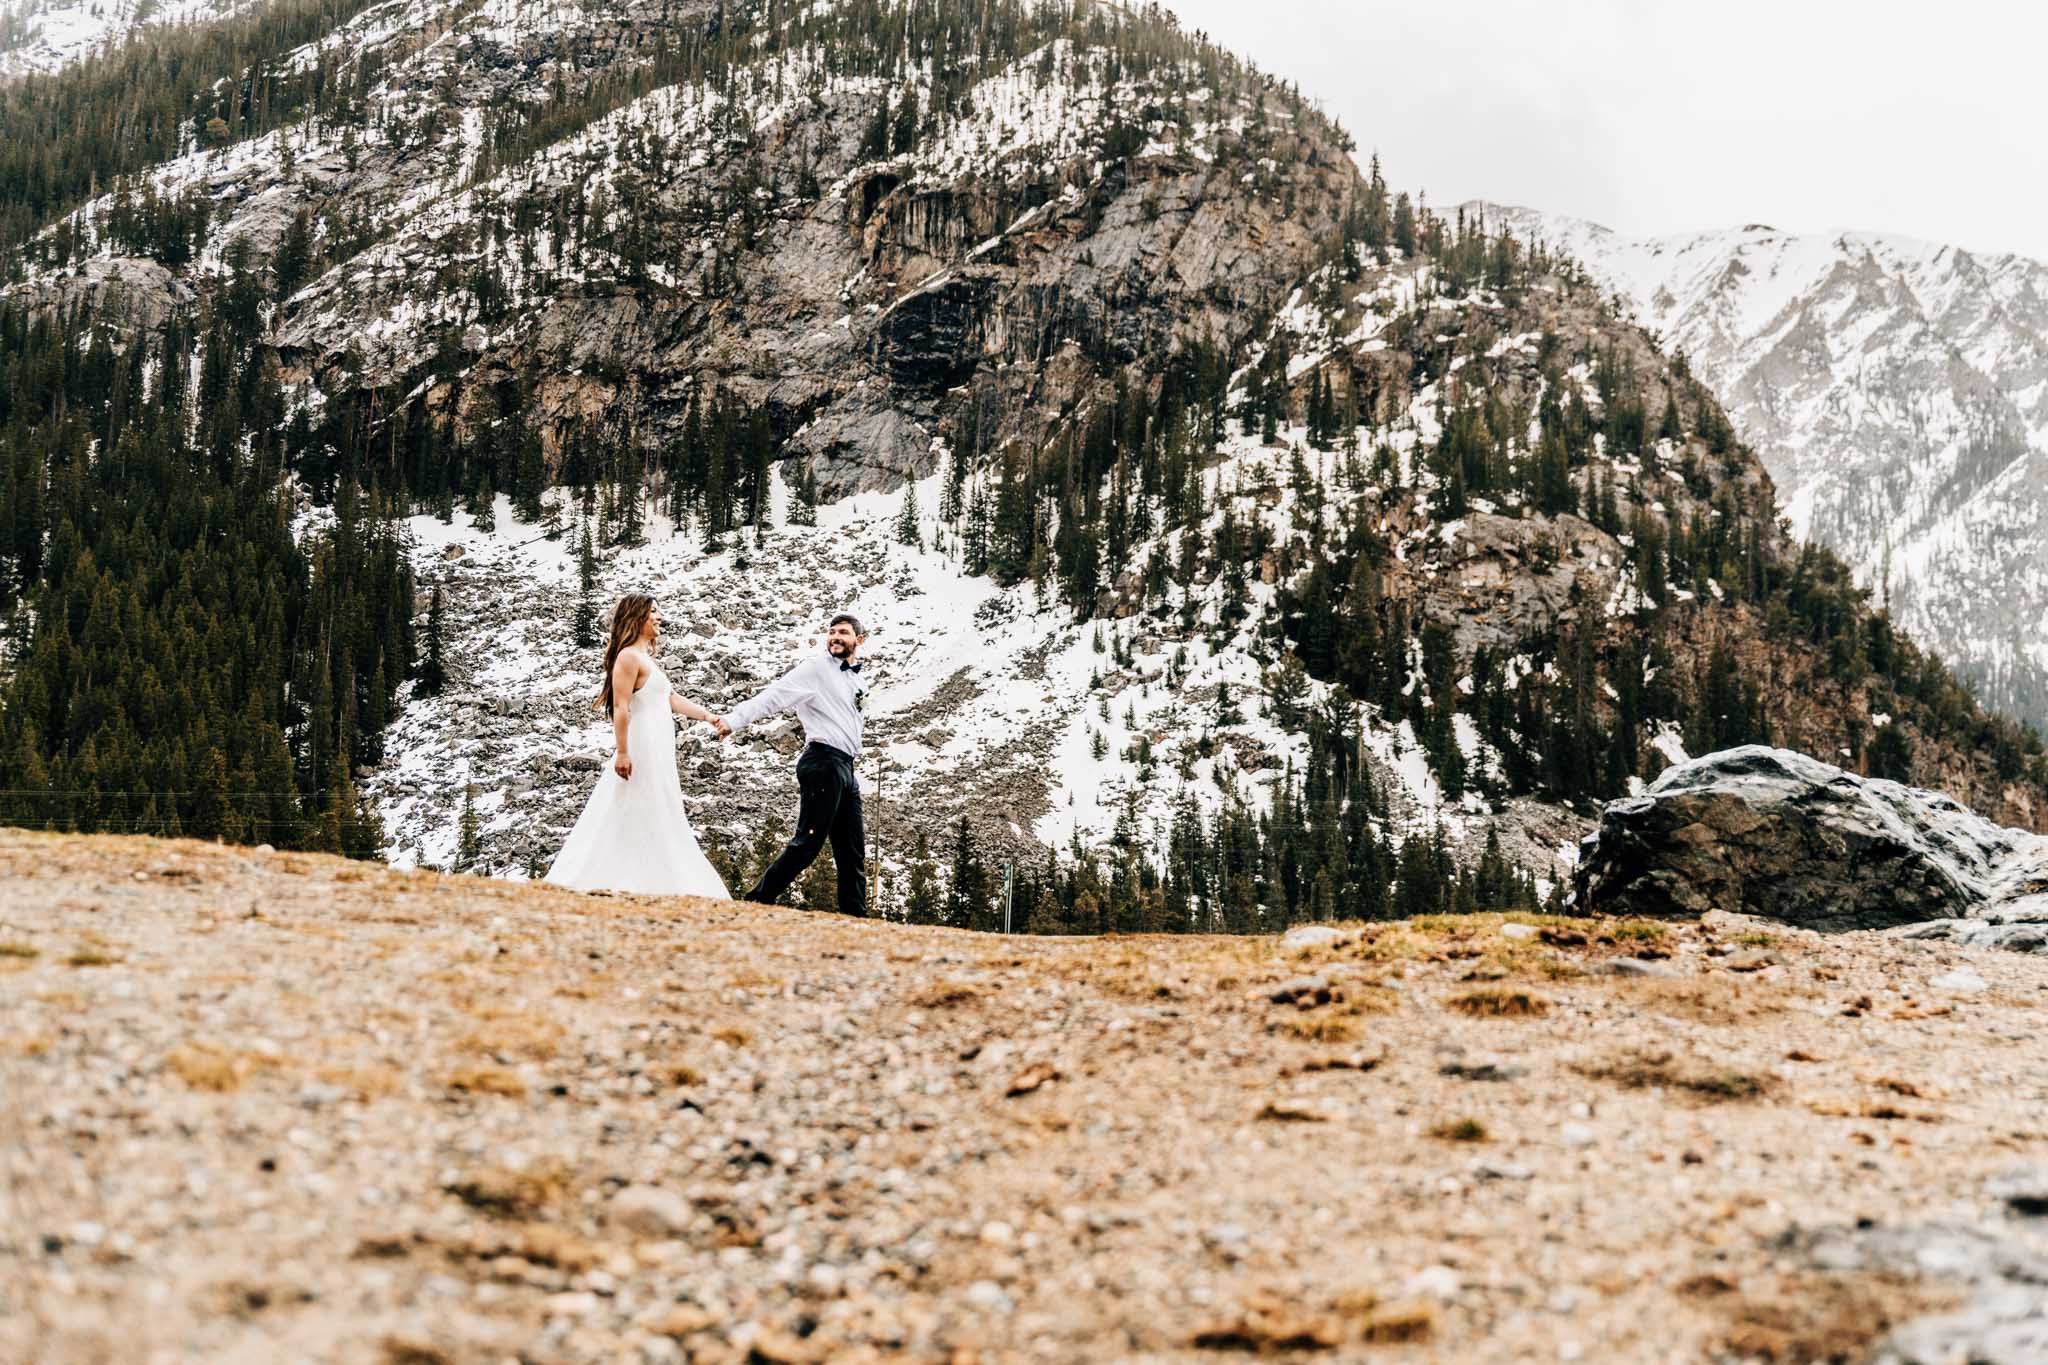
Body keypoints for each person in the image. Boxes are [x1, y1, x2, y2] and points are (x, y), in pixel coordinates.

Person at [545, 594, 729, 898]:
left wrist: (707, 716)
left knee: (656, 803)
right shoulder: (628, 657)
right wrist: (623, 751)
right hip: (641, 743)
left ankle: (651, 873)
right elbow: (621, 707)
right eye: (653, 612)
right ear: (637, 617)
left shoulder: (647, 660)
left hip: (658, 744)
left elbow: (669, 699)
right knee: (636, 801)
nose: (659, 617)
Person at [715, 612, 870, 916]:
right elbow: (774, 696)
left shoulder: (857, 679)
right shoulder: (815, 669)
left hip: (846, 768)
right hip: (823, 761)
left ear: (859, 640)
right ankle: (757, 900)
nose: (835, 637)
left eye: (843, 632)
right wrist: (734, 720)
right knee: (808, 843)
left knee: (852, 849)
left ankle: (857, 917)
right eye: (831, 632)